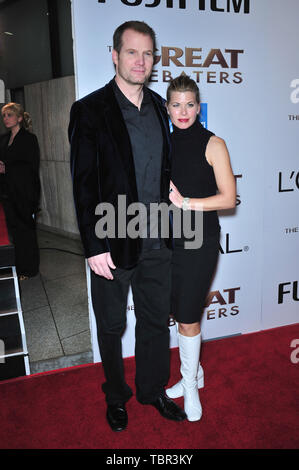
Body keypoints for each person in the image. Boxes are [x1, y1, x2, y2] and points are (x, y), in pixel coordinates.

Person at [68, 21, 186, 432]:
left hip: (159, 238)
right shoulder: (89, 110)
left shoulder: (158, 105)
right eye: (132, 52)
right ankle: (116, 396)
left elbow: (159, 164)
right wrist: (93, 244)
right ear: (115, 55)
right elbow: (83, 184)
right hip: (112, 241)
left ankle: (152, 390)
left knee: (155, 321)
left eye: (148, 53)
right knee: (113, 325)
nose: (141, 61)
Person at [165, 74, 236, 421]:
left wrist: (187, 202)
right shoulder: (162, 143)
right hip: (167, 241)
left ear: (198, 106)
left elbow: (228, 197)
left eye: (189, 104)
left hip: (201, 240)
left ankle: (190, 385)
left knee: (189, 316)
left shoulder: (214, 143)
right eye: (176, 104)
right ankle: (194, 375)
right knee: (179, 313)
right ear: (167, 107)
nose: (183, 111)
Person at [0, 103, 40, 280]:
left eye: (9, 115)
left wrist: (7, 168)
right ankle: (17, 265)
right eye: (4, 116)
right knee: (13, 232)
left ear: (19, 118)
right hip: (6, 192)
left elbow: (31, 168)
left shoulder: (29, 139)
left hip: (24, 193)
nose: (6, 119)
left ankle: (29, 269)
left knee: (25, 232)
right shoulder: (2, 138)